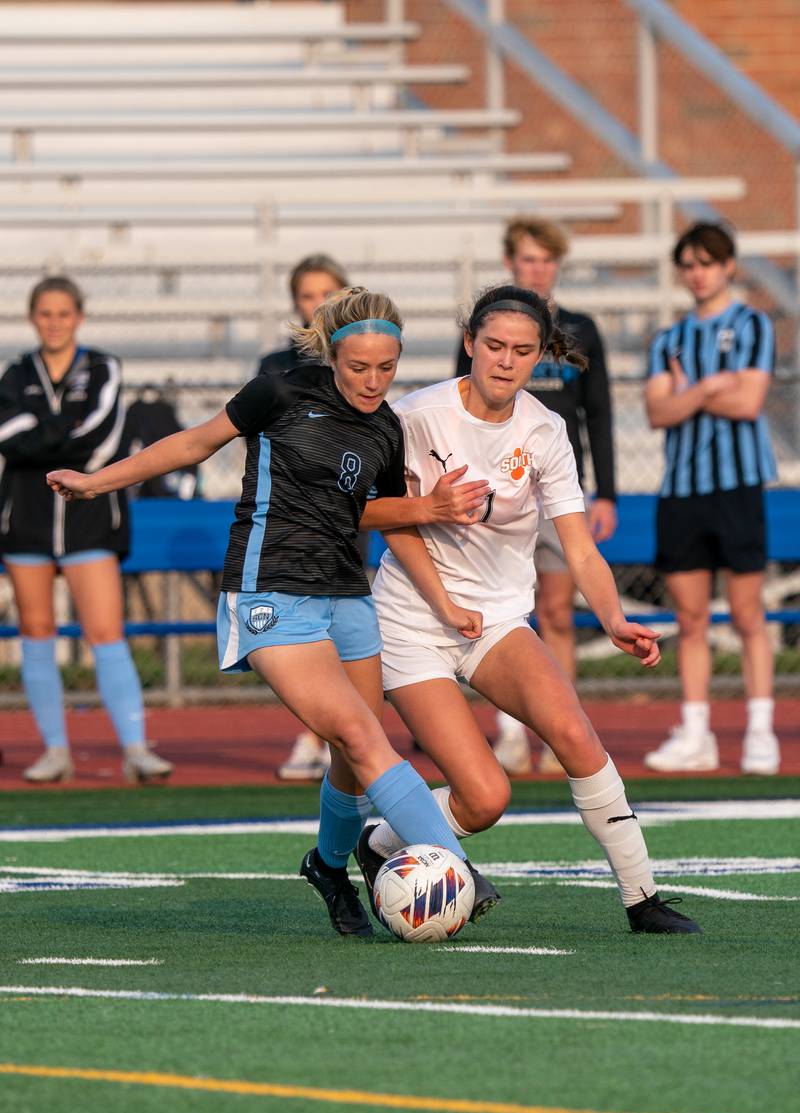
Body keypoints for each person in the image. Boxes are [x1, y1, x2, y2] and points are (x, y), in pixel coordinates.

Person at [47, 286, 497, 938]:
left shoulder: (384, 426)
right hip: (268, 593)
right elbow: (191, 444)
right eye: (358, 366)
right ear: (332, 353)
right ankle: (457, 869)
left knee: (356, 751)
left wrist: (444, 600)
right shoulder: (280, 392)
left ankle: (327, 864)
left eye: (387, 367)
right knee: (364, 737)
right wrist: (96, 482)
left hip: (345, 593)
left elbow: (387, 520)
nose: (374, 381)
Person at [357, 284, 701, 934]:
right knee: (485, 798)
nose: (505, 361)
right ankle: (376, 842)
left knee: (574, 733)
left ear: (540, 356)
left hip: (496, 622)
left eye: (522, 350)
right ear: (469, 344)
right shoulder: (417, 416)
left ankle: (642, 898)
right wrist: (440, 583)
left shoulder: (545, 431)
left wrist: (612, 619)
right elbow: (375, 515)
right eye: (493, 346)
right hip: (411, 621)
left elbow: (578, 546)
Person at [456, 218, 616, 775]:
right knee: (501, 614)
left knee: (556, 611)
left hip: (556, 490)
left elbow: (600, 413)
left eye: (546, 260)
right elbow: (462, 412)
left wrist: (607, 492)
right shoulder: (487, 328)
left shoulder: (581, 329)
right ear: (512, 264)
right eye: (527, 259)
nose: (537, 269)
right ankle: (511, 734)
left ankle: (556, 734)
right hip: (494, 491)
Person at [0, 276, 173, 784]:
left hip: (90, 517)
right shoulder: (14, 373)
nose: (54, 322)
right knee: (36, 631)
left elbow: (100, 436)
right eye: (45, 313)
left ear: (79, 316)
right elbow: (7, 435)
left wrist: (42, 437)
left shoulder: (104, 367)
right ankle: (55, 751)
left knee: (104, 632)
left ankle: (136, 748)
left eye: (63, 313)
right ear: (34, 318)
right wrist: (55, 439)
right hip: (26, 519)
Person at [642, 222, 779, 775]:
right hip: (681, 491)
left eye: (707, 262)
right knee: (691, 617)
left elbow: (748, 403)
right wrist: (705, 389)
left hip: (738, 487)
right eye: (689, 264)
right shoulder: (667, 339)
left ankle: (760, 730)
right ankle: (696, 731)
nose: (697, 273)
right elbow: (657, 413)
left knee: (747, 614)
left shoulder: (752, 324)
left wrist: (685, 393)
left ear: (728, 267)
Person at [259, 254, 350, 782]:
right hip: (290, 517)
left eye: (328, 294)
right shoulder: (275, 365)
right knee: (297, 632)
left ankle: (336, 736)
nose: (317, 305)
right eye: (308, 295)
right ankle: (310, 733)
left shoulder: (357, 362)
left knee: (340, 629)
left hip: (342, 516)